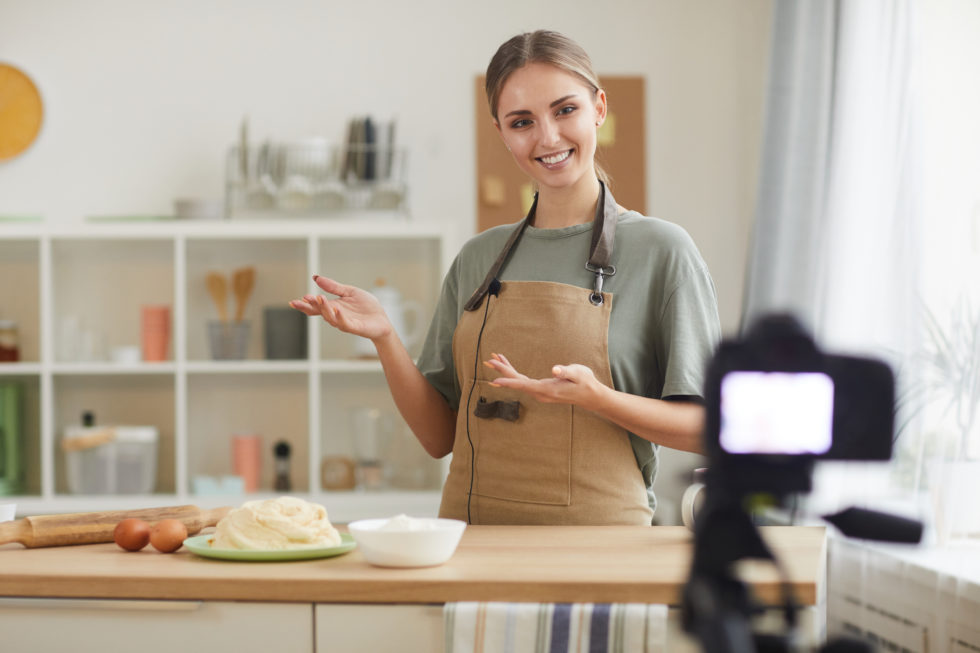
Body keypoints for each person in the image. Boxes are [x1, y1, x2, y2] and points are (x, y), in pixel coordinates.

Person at [290, 30, 721, 526]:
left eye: (565, 110)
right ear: (502, 132)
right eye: (522, 122)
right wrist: (386, 337)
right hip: (470, 547)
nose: (548, 138)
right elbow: (438, 438)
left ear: (598, 108)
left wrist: (597, 398)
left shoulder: (663, 251)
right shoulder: (479, 257)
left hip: (600, 553)